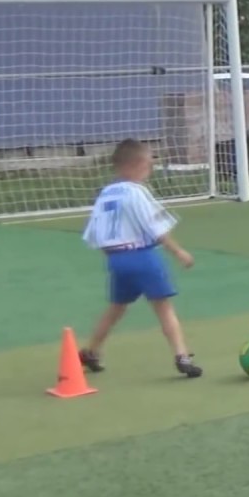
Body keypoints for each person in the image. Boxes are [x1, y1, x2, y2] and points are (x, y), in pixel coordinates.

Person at [78, 139, 202, 378]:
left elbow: (96, 233)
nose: (150, 169)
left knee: (116, 308)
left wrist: (115, 256)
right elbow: (156, 227)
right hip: (142, 256)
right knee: (164, 307)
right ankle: (182, 355)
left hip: (116, 259)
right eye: (149, 163)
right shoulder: (137, 192)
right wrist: (178, 252)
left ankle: (91, 350)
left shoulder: (105, 194)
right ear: (136, 165)